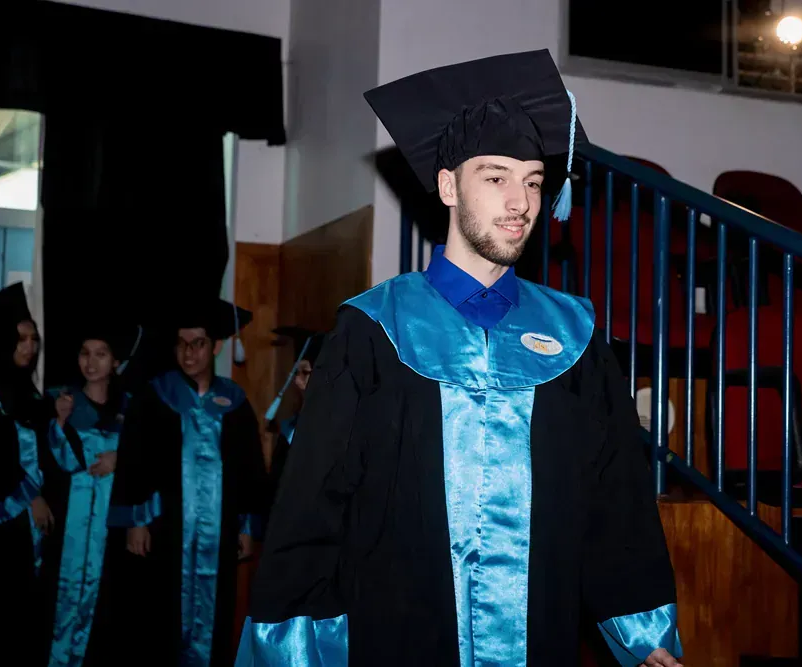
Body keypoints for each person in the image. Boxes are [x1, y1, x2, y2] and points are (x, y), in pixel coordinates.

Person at [239, 50, 683, 667]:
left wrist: (643, 632)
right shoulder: (374, 329)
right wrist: (296, 648)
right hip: (401, 636)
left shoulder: (574, 337)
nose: (521, 201)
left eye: (533, 181)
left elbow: (615, 497)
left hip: (539, 636)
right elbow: (315, 505)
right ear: (449, 186)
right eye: (496, 177)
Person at [103, 298, 269, 666]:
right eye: (181, 343)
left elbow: (250, 470)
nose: (188, 352)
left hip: (219, 535)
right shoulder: (154, 397)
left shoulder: (235, 403)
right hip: (166, 531)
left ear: (216, 346)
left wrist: (246, 527)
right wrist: (135, 522)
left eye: (198, 343)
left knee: (216, 616)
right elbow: (134, 463)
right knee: (160, 619)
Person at [41, 322, 134, 667]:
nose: (90, 362)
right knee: (57, 602)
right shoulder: (60, 400)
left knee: (106, 611)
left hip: (112, 530)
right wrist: (59, 423)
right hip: (68, 526)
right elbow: (50, 466)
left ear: (115, 361)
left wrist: (119, 459)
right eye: (84, 353)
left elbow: (151, 462)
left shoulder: (132, 409)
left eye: (100, 354)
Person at [0, 282, 53, 660]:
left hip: (27, 529)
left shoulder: (29, 393)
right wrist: (31, 495)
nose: (29, 347)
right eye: (20, 339)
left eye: (34, 339)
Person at [266, 326, 325, 495]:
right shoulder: (290, 429)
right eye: (296, 373)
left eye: (305, 372)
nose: (298, 382)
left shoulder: (337, 430)